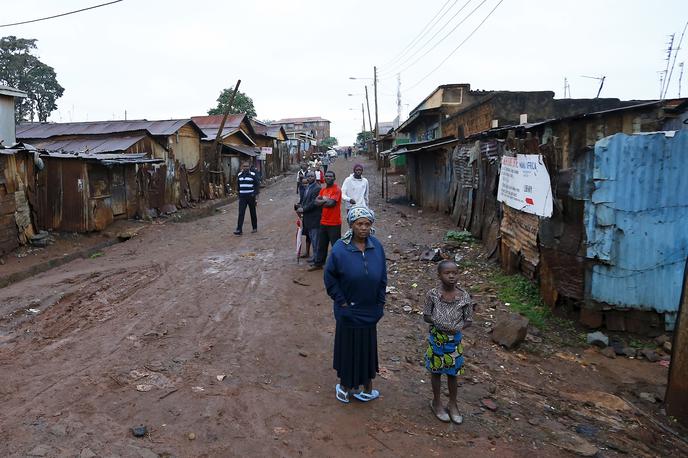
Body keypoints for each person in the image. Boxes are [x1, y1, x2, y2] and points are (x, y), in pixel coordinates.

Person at [324, 206, 387, 403]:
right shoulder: (340, 249)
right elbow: (330, 278)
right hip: (348, 309)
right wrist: (341, 302)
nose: (363, 228)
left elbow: (382, 277)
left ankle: (367, 387)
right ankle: (345, 387)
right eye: (359, 224)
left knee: (367, 348)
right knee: (348, 348)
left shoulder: (376, 246)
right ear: (351, 225)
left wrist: (380, 303)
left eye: (367, 224)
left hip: (370, 310)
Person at [423, 260, 473, 424]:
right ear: (439, 275)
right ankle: (436, 402)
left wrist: (457, 327)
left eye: (455, 272)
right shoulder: (432, 295)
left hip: (454, 341)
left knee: (453, 373)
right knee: (436, 371)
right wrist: (440, 323)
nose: (451, 276)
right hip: (437, 339)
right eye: (447, 273)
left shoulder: (464, 296)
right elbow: (426, 316)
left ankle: (453, 404)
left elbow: (469, 320)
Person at [308, 170, 341, 271]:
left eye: (331, 176)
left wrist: (322, 201)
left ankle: (337, 266)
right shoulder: (322, 190)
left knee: (335, 246)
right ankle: (318, 263)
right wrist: (325, 201)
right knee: (321, 245)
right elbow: (316, 202)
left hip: (334, 223)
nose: (328, 178)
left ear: (334, 178)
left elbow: (331, 204)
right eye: (326, 176)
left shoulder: (337, 189)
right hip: (323, 222)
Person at [298, 171, 322, 264]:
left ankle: (317, 259)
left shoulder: (317, 188)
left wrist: (303, 209)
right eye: (308, 176)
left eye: (312, 176)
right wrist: (300, 206)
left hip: (315, 217)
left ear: (315, 177)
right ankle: (315, 257)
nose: (310, 178)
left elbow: (314, 203)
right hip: (308, 218)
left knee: (316, 239)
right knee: (312, 238)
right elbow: (305, 200)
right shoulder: (308, 187)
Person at [233, 161, 259, 235]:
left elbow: (257, 185)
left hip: (250, 196)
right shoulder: (239, 175)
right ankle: (239, 229)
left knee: (252, 212)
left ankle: (254, 227)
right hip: (242, 197)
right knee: (241, 213)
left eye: (247, 166)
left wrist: (254, 194)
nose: (245, 168)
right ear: (242, 167)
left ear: (249, 167)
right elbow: (238, 185)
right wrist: (239, 193)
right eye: (244, 166)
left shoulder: (253, 175)